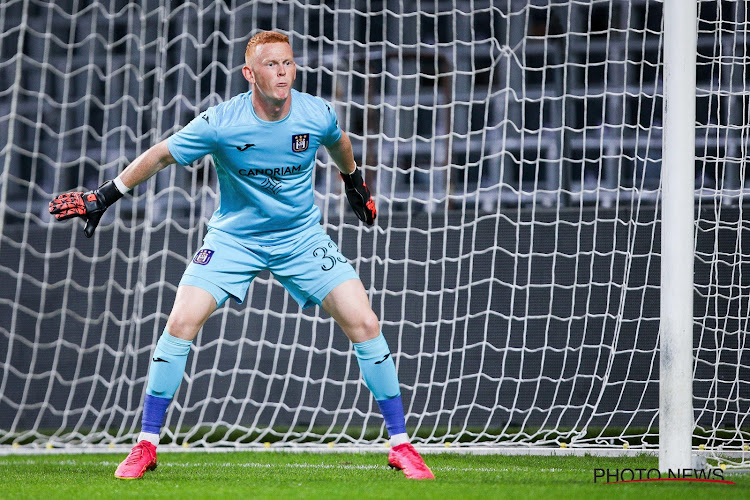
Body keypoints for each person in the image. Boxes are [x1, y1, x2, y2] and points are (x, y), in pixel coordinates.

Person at [49, 31, 434, 481]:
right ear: (250, 73)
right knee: (179, 323)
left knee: (365, 322)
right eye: (272, 65)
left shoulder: (315, 112)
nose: (283, 72)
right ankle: (146, 445)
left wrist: (354, 182)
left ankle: (401, 445)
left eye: (288, 63)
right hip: (235, 240)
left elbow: (339, 140)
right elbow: (160, 156)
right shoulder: (221, 122)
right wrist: (103, 196)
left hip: (300, 238)